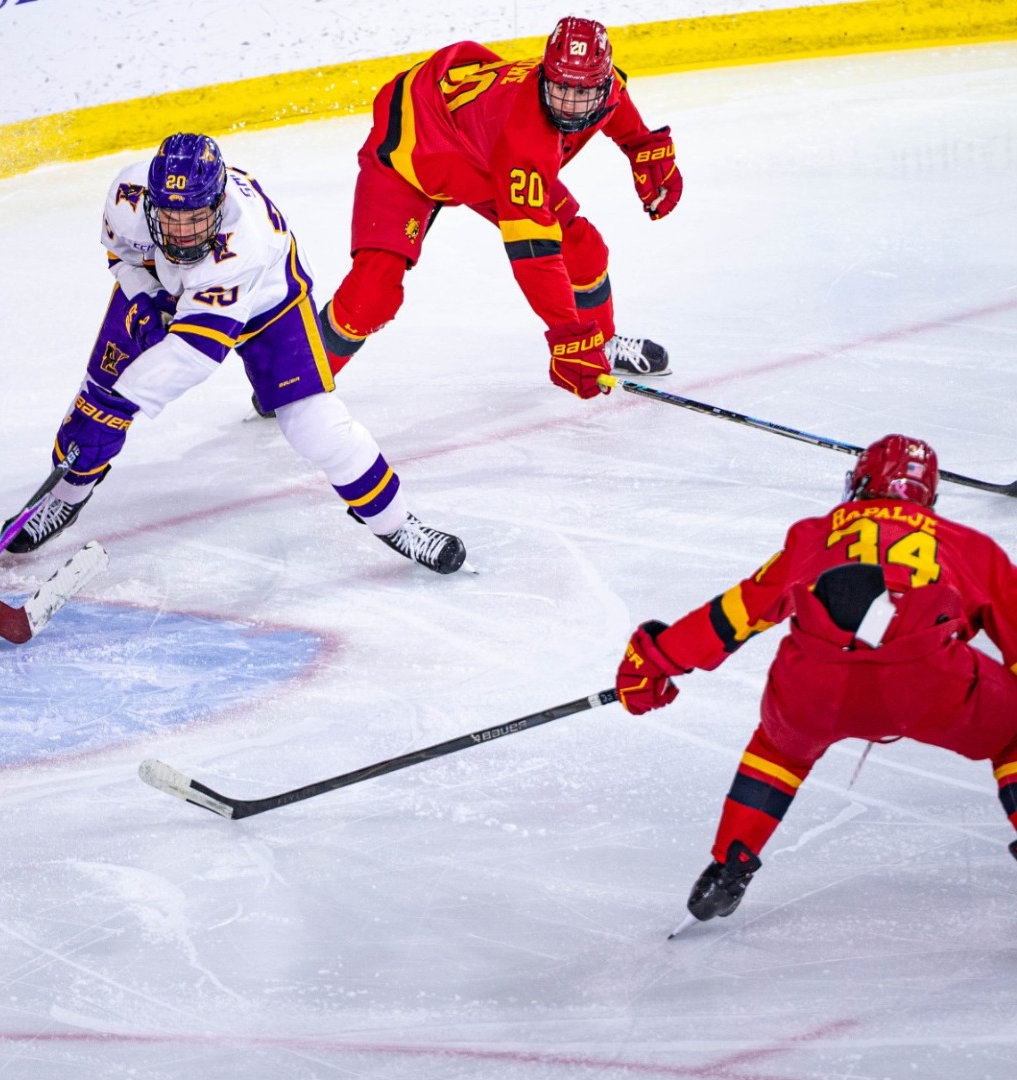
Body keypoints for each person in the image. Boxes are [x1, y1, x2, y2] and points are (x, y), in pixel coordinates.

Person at [10, 132, 466, 574]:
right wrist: (145, 294)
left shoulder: (243, 245)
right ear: (150, 202)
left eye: (195, 219)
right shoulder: (127, 198)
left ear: (219, 203)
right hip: (173, 288)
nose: (184, 234)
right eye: (170, 218)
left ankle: (397, 523)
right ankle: (63, 499)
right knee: (96, 393)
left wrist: (119, 401)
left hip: (268, 300)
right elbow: (123, 257)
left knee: (315, 425)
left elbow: (193, 355)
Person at [615, 435, 1017, 925]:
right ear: (928, 497)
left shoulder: (814, 534)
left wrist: (657, 658)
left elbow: (740, 613)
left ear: (860, 483)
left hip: (817, 684)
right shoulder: (970, 546)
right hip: (929, 682)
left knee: (778, 749)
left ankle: (729, 864)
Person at [321, 16, 681, 399]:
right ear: (545, 75)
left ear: (604, 82)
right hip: (413, 151)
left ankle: (603, 342)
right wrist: (567, 337)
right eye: (560, 87)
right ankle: (302, 368)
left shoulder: (606, 91)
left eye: (583, 91)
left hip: (480, 154)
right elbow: (533, 254)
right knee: (371, 296)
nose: (571, 105)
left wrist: (644, 146)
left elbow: (621, 111)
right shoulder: (524, 139)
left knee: (582, 247)